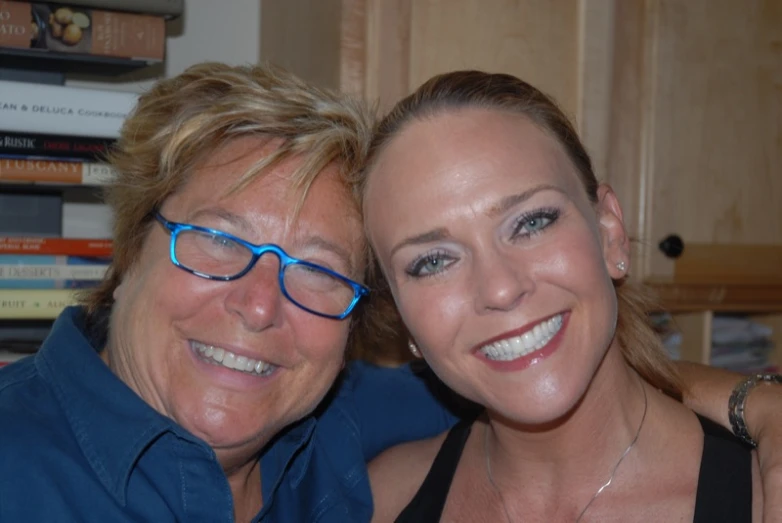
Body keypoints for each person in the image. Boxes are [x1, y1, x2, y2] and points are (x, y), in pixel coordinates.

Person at [0, 62, 780, 523]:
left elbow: (543, 362)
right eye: (218, 241)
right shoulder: (381, 488)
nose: (261, 305)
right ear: (131, 245)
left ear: (611, 228)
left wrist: (757, 401)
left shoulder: (347, 434)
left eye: (316, 267)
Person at [362, 70, 766, 522]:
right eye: (433, 261)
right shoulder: (378, 502)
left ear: (610, 234)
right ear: (404, 321)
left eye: (532, 222)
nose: (500, 287)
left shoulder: (765, 494)